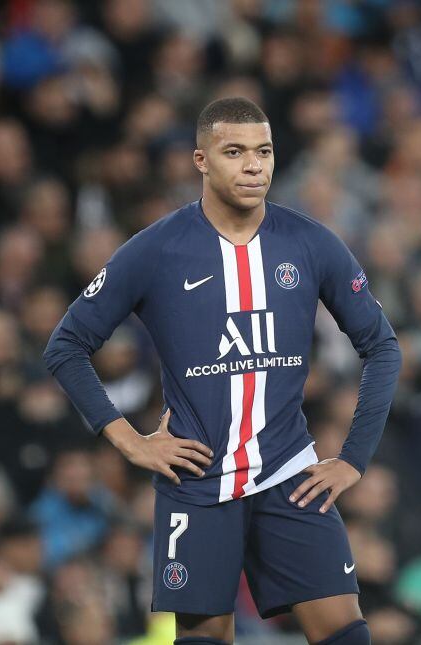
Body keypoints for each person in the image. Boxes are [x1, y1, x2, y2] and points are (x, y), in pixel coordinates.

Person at [44, 97, 401, 645]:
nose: (253, 165)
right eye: (234, 152)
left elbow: (382, 345)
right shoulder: (156, 250)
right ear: (201, 160)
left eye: (264, 151)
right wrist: (129, 442)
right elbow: (66, 345)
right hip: (197, 482)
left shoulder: (309, 242)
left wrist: (354, 459)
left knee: (348, 636)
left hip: (290, 475)